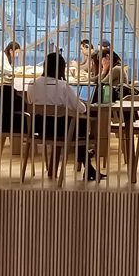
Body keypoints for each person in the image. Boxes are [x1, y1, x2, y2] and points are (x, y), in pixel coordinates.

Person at [25, 52, 105, 181]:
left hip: (39, 127)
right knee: (81, 122)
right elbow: (81, 109)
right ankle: (85, 159)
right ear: (62, 68)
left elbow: (30, 102)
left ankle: (86, 161)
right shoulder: (63, 86)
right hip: (60, 129)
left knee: (75, 123)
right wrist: (79, 102)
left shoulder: (32, 83)